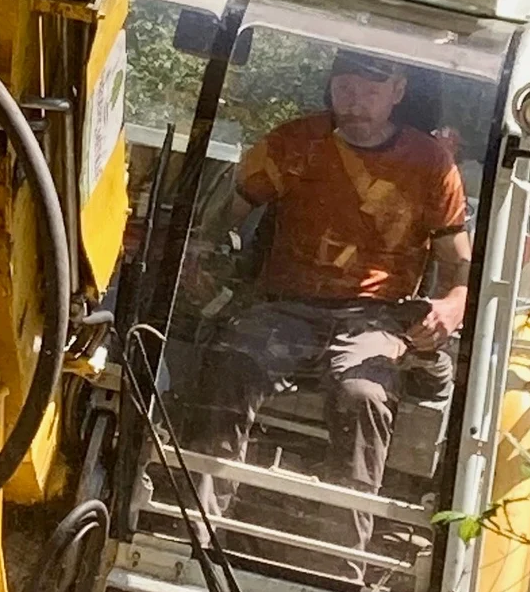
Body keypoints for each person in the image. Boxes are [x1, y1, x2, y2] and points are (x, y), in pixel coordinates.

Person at [193, 46, 469, 547]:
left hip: (377, 318)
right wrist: (200, 256)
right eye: (345, 88)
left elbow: (458, 265)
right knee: (233, 363)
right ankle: (198, 525)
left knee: (364, 394)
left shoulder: (431, 164)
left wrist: (451, 307)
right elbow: (224, 215)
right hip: (283, 306)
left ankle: (340, 557)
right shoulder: (293, 143)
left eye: (369, 90)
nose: (354, 101)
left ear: (397, 91)